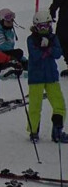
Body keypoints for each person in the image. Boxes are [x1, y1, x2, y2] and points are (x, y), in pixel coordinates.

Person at [26, 11, 68, 143]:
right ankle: (33, 131)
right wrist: (42, 48)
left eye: (46, 25)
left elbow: (58, 53)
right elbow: (35, 56)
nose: (44, 29)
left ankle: (57, 130)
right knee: (35, 105)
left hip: (51, 76)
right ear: (36, 26)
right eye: (41, 26)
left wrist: (49, 48)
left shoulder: (53, 38)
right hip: (36, 77)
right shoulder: (31, 39)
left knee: (59, 104)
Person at [0, 9, 27, 76]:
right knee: (18, 52)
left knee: (21, 57)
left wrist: (23, 60)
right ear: (1, 21)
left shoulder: (10, 33)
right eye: (8, 21)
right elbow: (5, 47)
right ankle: (9, 67)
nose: (11, 23)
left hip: (6, 58)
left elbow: (11, 50)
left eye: (12, 21)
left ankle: (17, 65)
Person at [51, 0, 68, 77]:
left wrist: (52, 10)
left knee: (62, 41)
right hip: (65, 18)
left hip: (65, 20)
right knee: (62, 41)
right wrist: (53, 10)